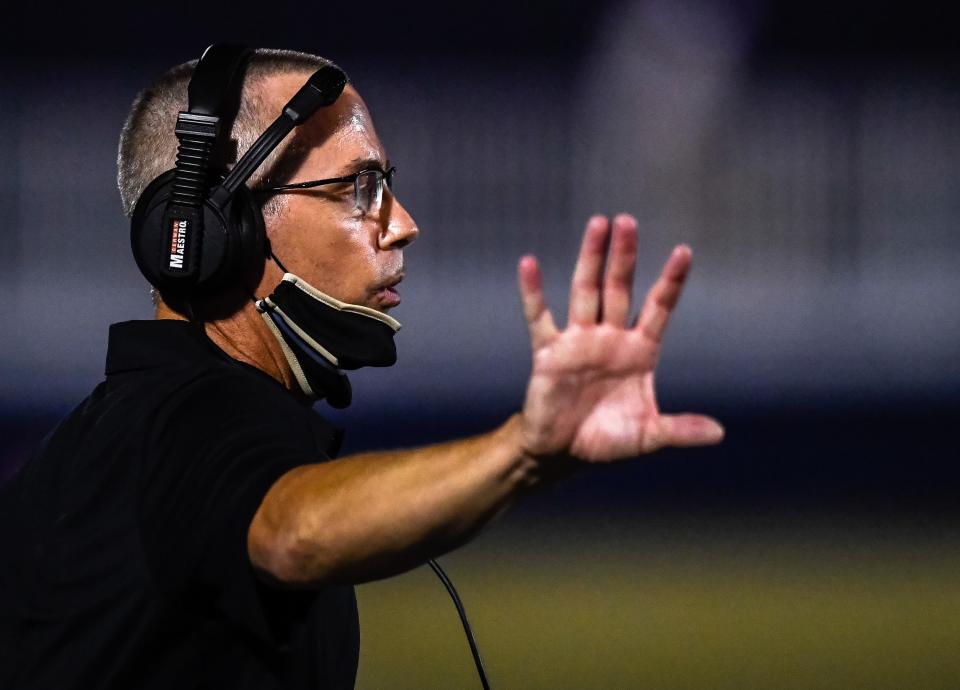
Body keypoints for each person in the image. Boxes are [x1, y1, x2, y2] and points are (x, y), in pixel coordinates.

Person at [0, 47, 724, 689]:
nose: (402, 221)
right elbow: (294, 531)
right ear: (215, 229)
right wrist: (525, 449)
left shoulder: (128, 426)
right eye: (359, 188)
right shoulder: (187, 415)